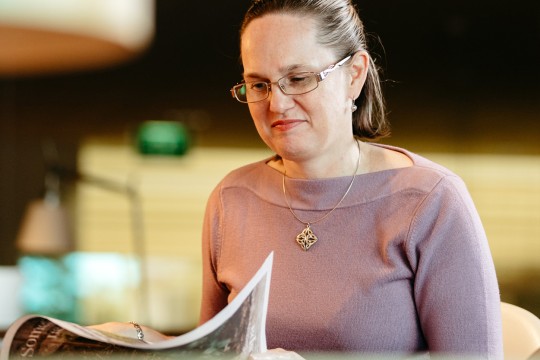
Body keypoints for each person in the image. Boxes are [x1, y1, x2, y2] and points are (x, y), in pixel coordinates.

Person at [92, 0, 503, 358]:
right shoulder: (231, 200)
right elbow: (213, 353)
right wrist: (138, 339)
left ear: (354, 75)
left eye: (299, 78)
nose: (277, 103)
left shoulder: (430, 201)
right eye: (259, 84)